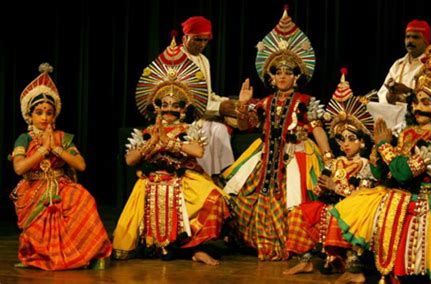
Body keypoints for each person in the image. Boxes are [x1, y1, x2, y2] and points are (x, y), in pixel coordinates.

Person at [331, 43, 431, 283]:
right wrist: (377, 148)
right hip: (399, 202)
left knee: (412, 271)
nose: (417, 107)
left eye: (426, 102)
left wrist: (385, 146)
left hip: (423, 209)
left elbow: (404, 173)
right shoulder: (407, 135)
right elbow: (385, 174)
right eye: (416, 100)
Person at [221, 7, 331, 261]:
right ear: (271, 78)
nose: (282, 76)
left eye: (288, 72)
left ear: (296, 77)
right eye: (278, 72)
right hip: (265, 157)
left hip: (294, 156)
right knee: (242, 193)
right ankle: (258, 241)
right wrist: (243, 104)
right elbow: (245, 126)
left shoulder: (305, 101)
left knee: (293, 197)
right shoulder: (266, 102)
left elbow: (317, 129)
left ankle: (290, 245)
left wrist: (327, 156)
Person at [112, 36, 230, 265]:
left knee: (216, 198)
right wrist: (151, 143)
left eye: (175, 105)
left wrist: (169, 142)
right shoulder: (147, 131)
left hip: (182, 181)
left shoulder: (188, 129)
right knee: (123, 246)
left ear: (183, 109)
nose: (169, 109)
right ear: (156, 107)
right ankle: (162, 246)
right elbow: (129, 160)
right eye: (164, 104)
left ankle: (195, 249)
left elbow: (197, 152)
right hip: (150, 184)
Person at [9, 63, 112, 270]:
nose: (44, 117)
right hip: (33, 189)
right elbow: (19, 169)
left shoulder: (62, 137)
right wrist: (42, 150)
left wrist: (55, 148)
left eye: (49, 113)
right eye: (39, 112)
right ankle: (40, 256)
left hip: (61, 185)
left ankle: (90, 253)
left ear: (54, 116)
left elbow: (80, 165)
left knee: (83, 199)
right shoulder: (24, 138)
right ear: (30, 116)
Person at [282, 69, 376, 282]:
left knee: (337, 213)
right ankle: (305, 260)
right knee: (299, 212)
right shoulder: (336, 162)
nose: (345, 144)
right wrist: (321, 187)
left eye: (351, 139)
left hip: (353, 208)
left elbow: (363, 196)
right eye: (341, 139)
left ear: (361, 141)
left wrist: (336, 188)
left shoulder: (365, 165)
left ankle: (352, 266)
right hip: (330, 202)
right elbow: (322, 185)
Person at [179, 16, 235, 179]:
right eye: (197, 40)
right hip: (184, 116)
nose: (202, 44)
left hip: (204, 114)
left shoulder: (204, 60)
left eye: (205, 40)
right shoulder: (177, 59)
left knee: (220, 131)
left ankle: (221, 176)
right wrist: (219, 108)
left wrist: (226, 102)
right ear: (185, 38)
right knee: (204, 134)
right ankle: (203, 178)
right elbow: (188, 100)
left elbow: (208, 94)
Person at [368, 20, 431, 135]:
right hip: (393, 119)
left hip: (418, 121)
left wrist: (407, 92)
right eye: (407, 37)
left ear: (426, 41)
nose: (410, 41)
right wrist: (390, 95)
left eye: (415, 37)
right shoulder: (398, 64)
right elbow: (382, 93)